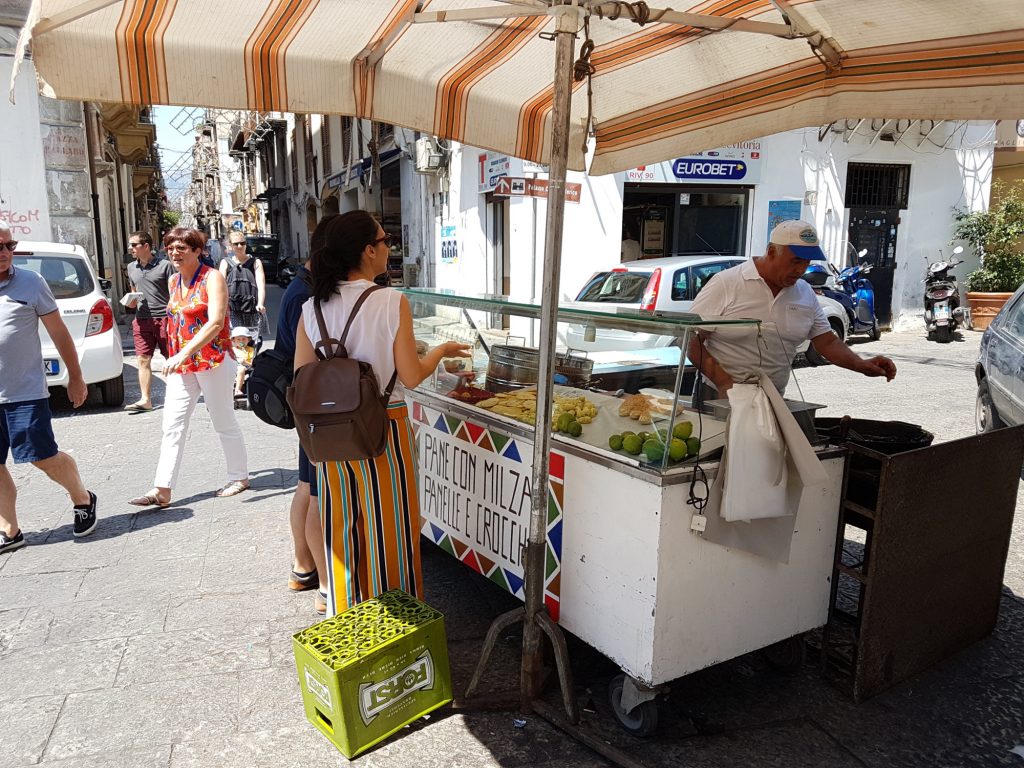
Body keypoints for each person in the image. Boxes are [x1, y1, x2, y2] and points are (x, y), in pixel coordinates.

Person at [294, 210, 470, 616]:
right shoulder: (391, 301)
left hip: (330, 434)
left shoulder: (312, 308)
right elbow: (410, 376)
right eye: (385, 240)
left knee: (342, 529)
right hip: (384, 427)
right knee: (390, 529)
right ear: (368, 250)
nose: (389, 247)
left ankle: (349, 615)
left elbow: (302, 377)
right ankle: (398, 616)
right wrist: (441, 351)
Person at [689, 220, 897, 402]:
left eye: (806, 262)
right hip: (718, 394)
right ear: (771, 252)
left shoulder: (805, 292)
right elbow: (690, 341)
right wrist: (724, 382)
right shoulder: (727, 283)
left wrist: (861, 365)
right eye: (795, 260)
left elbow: (827, 342)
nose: (801, 269)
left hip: (772, 397)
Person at [128, 226, 249, 507]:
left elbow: (216, 322)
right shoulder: (173, 282)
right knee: (172, 424)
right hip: (184, 364)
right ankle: (162, 489)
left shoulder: (212, 278)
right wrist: (176, 354)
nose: (174, 253)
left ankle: (239, 476)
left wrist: (183, 353)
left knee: (223, 420)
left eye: (181, 248)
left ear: (197, 250)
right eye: (170, 248)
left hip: (214, 360)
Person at [0, 222, 98, 553]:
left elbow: (58, 332)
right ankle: (10, 530)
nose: (4, 253)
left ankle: (82, 498)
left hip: (23, 392)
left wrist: (76, 375)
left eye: (9, 246)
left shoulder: (30, 282)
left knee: (42, 457)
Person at [277, 215, 333, 612]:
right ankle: (327, 586)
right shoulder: (306, 298)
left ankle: (303, 567)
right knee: (316, 492)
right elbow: (307, 364)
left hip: (307, 405)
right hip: (317, 407)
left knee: (305, 486)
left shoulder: (303, 289)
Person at [124, 230, 175, 411]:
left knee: (171, 359)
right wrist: (130, 301)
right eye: (130, 245)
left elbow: (176, 292)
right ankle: (146, 399)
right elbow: (133, 290)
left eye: (134, 245)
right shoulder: (131, 268)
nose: (130, 248)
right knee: (143, 359)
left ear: (146, 246)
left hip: (164, 319)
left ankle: (176, 397)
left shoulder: (166, 266)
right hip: (142, 319)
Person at [219, 231, 266, 336]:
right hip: (232, 310)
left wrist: (260, 304)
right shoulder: (225, 263)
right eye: (236, 244)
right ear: (231, 246)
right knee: (234, 341)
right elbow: (221, 288)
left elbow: (261, 286)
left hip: (252, 309)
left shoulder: (255, 262)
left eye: (242, 243)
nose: (240, 246)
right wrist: (222, 306)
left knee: (252, 342)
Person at [230, 325, 255, 399]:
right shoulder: (232, 349)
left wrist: (244, 362)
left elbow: (252, 363)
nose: (241, 341)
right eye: (238, 339)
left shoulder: (250, 350)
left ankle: (237, 390)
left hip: (245, 366)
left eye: (244, 339)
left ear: (248, 340)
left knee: (241, 369)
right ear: (234, 340)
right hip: (232, 365)